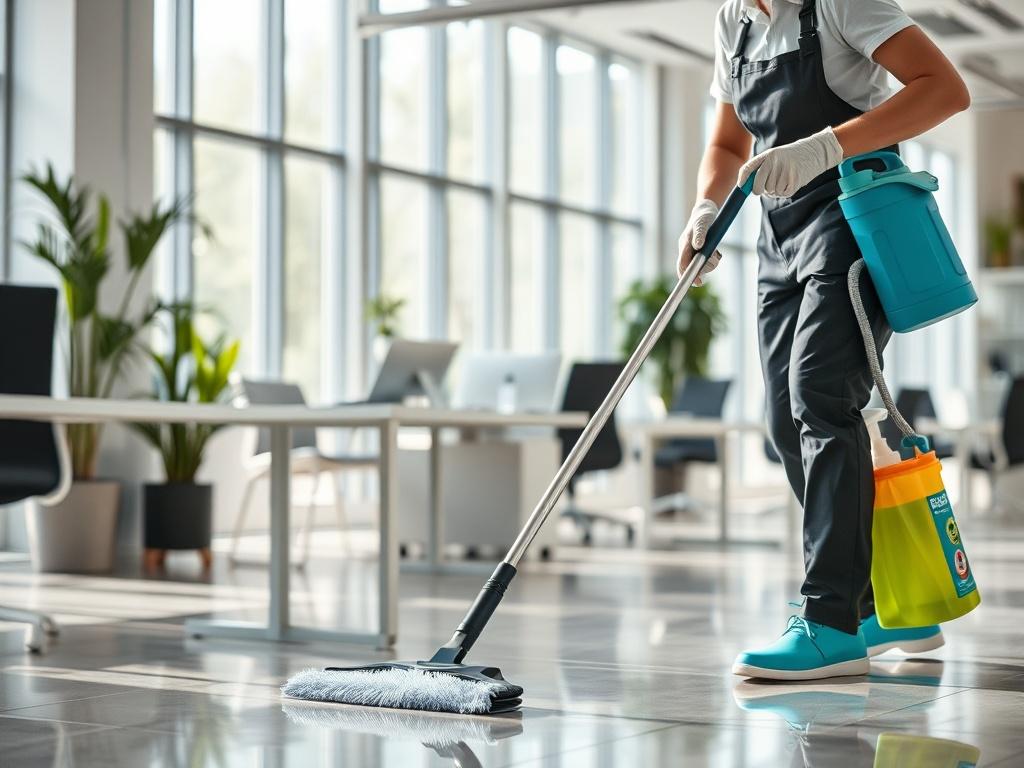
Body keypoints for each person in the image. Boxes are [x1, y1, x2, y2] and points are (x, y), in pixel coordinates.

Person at [680, 0, 970, 680]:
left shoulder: (841, 2)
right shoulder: (733, 23)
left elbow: (945, 90)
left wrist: (828, 145)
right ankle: (875, 606)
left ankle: (830, 620)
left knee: (822, 399)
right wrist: (705, 208)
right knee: (785, 423)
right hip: (778, 239)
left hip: (853, 217)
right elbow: (727, 145)